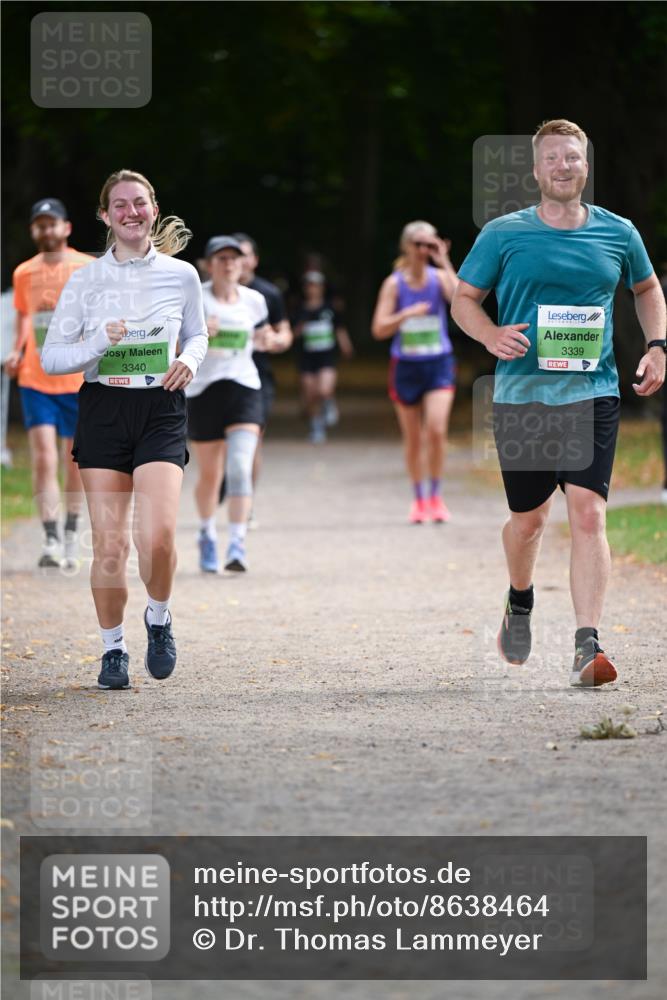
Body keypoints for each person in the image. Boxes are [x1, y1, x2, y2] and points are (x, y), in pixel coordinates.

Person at [452, 118, 666, 687]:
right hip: (522, 397)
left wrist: (658, 346)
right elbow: (464, 299)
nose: (562, 166)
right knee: (528, 521)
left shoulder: (618, 232)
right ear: (536, 169)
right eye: (552, 158)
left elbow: (647, 288)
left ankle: (586, 645)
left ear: (585, 166)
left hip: (591, 394)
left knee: (589, 513)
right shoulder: (504, 233)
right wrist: (490, 334)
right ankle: (519, 598)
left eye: (571, 157)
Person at [42, 170, 208, 690]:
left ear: (153, 209)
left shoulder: (181, 275)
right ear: (104, 215)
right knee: (110, 548)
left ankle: (158, 618)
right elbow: (52, 358)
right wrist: (97, 344)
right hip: (104, 412)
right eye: (120, 205)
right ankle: (112, 650)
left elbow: (198, 334)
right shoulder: (85, 280)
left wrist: (190, 361)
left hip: (160, 408)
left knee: (156, 538)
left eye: (139, 202)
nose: (131, 212)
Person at [5, 199, 93, 568]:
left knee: (75, 462)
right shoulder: (24, 272)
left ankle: (71, 532)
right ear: (33, 231)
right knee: (44, 458)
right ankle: (50, 538)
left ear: (66, 228)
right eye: (40, 225)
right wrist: (16, 351)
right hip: (35, 377)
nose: (46, 230)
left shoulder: (87, 268)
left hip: (77, 380)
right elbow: (25, 317)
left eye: (52, 223)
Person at [187, 235, 281, 574]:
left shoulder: (255, 300)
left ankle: (237, 543)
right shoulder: (196, 297)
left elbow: (265, 335)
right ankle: (207, 532)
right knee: (211, 474)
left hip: (244, 387)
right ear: (209, 264)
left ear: (243, 264)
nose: (229, 264)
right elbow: (174, 342)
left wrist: (268, 340)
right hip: (203, 391)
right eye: (222, 258)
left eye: (234, 258)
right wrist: (199, 334)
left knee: (240, 466)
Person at [371, 220, 459, 523]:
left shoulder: (440, 277)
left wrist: (444, 261)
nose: (424, 250)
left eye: (429, 244)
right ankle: (419, 499)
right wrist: (405, 314)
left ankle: (436, 496)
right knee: (414, 438)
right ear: (406, 247)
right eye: (418, 244)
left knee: (436, 430)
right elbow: (379, 328)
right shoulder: (394, 284)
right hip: (406, 365)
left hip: (438, 363)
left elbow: (462, 301)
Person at [230, 233, 292, 513]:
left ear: (254, 260)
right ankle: (228, 485)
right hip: (216, 379)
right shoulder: (206, 293)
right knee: (221, 444)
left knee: (251, 440)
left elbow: (284, 332)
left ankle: (246, 503)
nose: (237, 261)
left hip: (257, 378)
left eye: (243, 255)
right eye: (231, 256)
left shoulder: (267, 294)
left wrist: (277, 341)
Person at [292, 270, 354, 443]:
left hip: (326, 356)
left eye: (316, 285)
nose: (313, 289)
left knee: (324, 389)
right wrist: (300, 328)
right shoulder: (299, 309)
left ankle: (328, 404)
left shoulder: (330, 308)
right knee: (310, 394)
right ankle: (316, 426)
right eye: (309, 285)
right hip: (306, 357)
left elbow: (339, 328)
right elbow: (291, 333)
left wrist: (345, 345)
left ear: (322, 287)